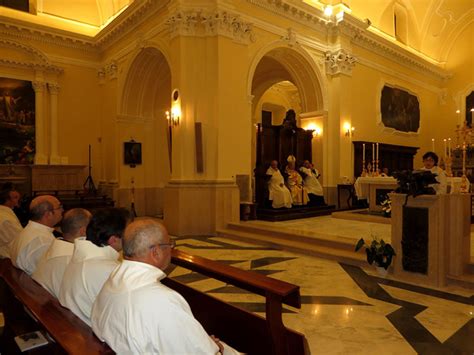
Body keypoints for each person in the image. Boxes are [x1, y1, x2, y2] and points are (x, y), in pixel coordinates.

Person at [91, 218, 240, 355]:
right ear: (156, 252)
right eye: (169, 245)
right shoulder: (162, 300)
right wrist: (216, 348)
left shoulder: (114, 278)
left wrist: (202, 343)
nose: (171, 250)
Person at [58, 207, 131, 326]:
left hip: (73, 324)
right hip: (88, 334)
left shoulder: (81, 255)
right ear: (113, 240)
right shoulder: (110, 270)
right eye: (128, 233)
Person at [32, 208, 92, 298]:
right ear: (83, 231)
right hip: (53, 308)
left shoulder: (54, 246)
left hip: (41, 300)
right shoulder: (75, 259)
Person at [9, 195, 63, 275]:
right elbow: (51, 274)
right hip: (34, 284)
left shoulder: (29, 230)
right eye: (59, 207)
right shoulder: (42, 240)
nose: (62, 210)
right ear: (48, 214)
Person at [0, 182, 22, 258]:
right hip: (7, 256)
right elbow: (18, 239)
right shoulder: (6, 218)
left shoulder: (6, 212)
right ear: (7, 200)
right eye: (15, 198)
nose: (18, 200)